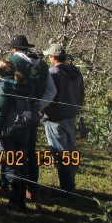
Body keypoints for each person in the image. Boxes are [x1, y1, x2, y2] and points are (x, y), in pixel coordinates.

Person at [0, 35, 56, 201]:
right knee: (29, 152)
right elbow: (51, 90)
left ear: (13, 49)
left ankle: (8, 185)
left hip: (11, 117)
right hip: (31, 115)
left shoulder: (10, 62)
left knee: (8, 153)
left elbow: (3, 89)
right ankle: (32, 189)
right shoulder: (41, 64)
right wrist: (39, 105)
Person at [0, 58, 35, 211]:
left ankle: (14, 201)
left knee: (10, 166)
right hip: (24, 130)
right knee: (21, 165)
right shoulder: (24, 86)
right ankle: (21, 201)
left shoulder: (3, 87)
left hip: (8, 133)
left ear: (0, 71)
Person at [42, 43, 85, 200]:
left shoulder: (53, 73)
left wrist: (45, 114)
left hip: (56, 119)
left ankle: (67, 190)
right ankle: (70, 184)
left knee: (61, 154)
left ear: (53, 57)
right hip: (71, 117)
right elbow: (81, 94)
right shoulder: (76, 72)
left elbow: (50, 96)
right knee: (70, 153)